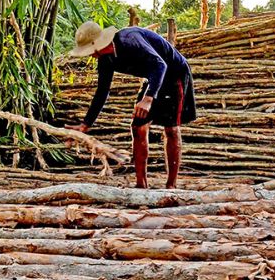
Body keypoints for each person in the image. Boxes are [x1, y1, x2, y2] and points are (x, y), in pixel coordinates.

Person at [67, 21, 196, 189]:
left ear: (97, 45)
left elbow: (160, 65)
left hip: (174, 73)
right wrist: (86, 124)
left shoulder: (129, 40)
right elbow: (102, 91)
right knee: (138, 127)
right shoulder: (105, 60)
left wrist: (148, 98)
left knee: (171, 129)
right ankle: (141, 185)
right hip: (153, 78)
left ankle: (171, 186)